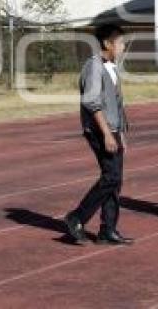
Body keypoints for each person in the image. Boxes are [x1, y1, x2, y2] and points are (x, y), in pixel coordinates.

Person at [64, 24, 133, 245]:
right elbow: (93, 104)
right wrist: (106, 134)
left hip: (113, 129)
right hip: (99, 130)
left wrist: (120, 131)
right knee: (111, 177)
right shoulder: (94, 67)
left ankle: (108, 230)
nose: (123, 47)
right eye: (120, 43)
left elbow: (117, 104)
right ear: (107, 44)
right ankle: (77, 217)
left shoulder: (111, 67)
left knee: (115, 180)